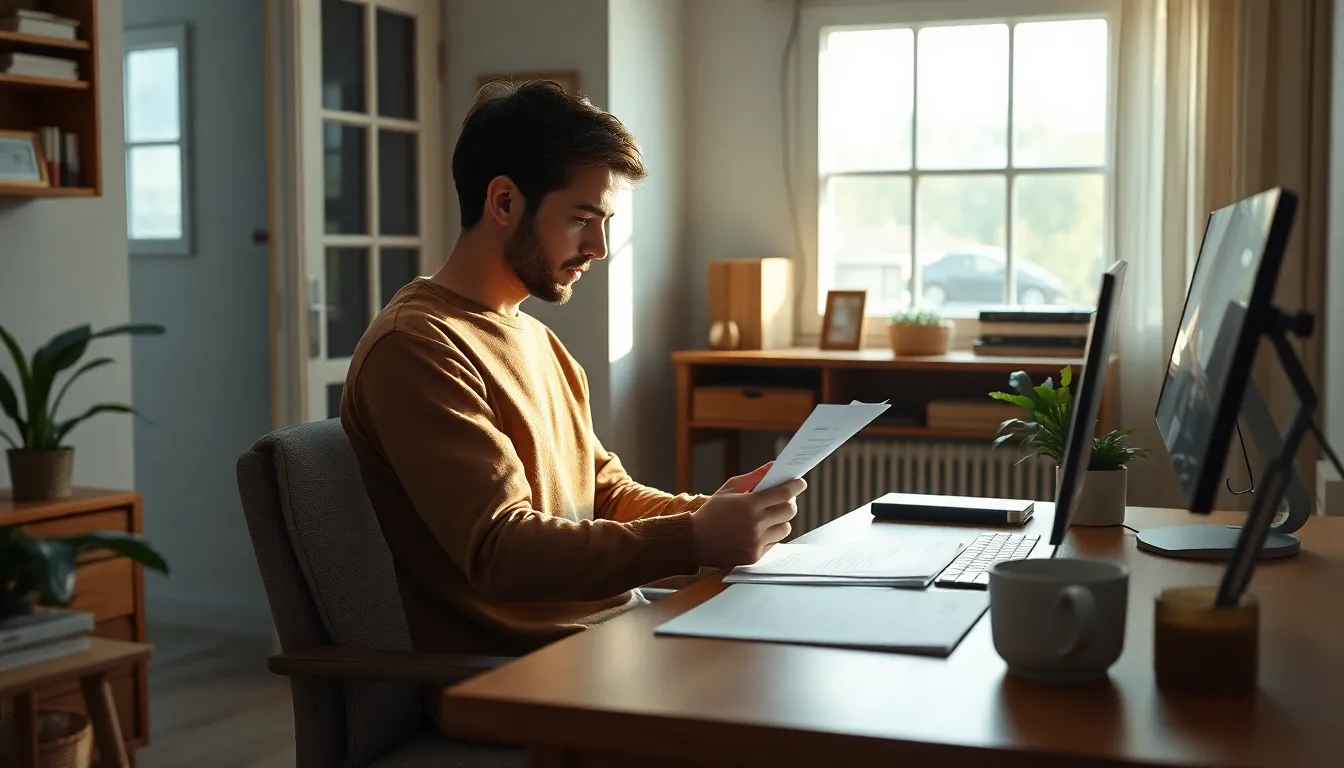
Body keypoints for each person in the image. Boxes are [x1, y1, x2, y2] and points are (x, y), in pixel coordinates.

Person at [339, 79, 805, 659]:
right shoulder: (417, 347)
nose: (599, 247)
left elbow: (605, 497)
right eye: (583, 218)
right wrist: (693, 538)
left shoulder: (541, 342)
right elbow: (501, 551)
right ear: (505, 202)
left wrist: (712, 513)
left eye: (605, 221)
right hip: (523, 674)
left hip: (614, 641)